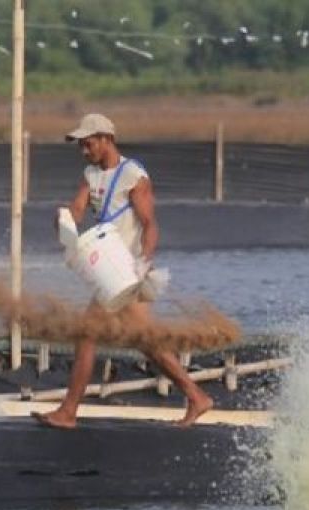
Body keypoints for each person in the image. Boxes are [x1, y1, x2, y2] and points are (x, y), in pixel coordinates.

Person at [32, 113, 213, 430]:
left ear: (105, 139)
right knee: (145, 341)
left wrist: (145, 260)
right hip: (109, 270)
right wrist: (64, 219)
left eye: (87, 144)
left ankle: (68, 412)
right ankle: (196, 396)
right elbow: (77, 208)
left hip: (128, 271)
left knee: (87, 333)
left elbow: (149, 224)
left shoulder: (134, 176)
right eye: (81, 146)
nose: (83, 151)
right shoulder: (90, 174)